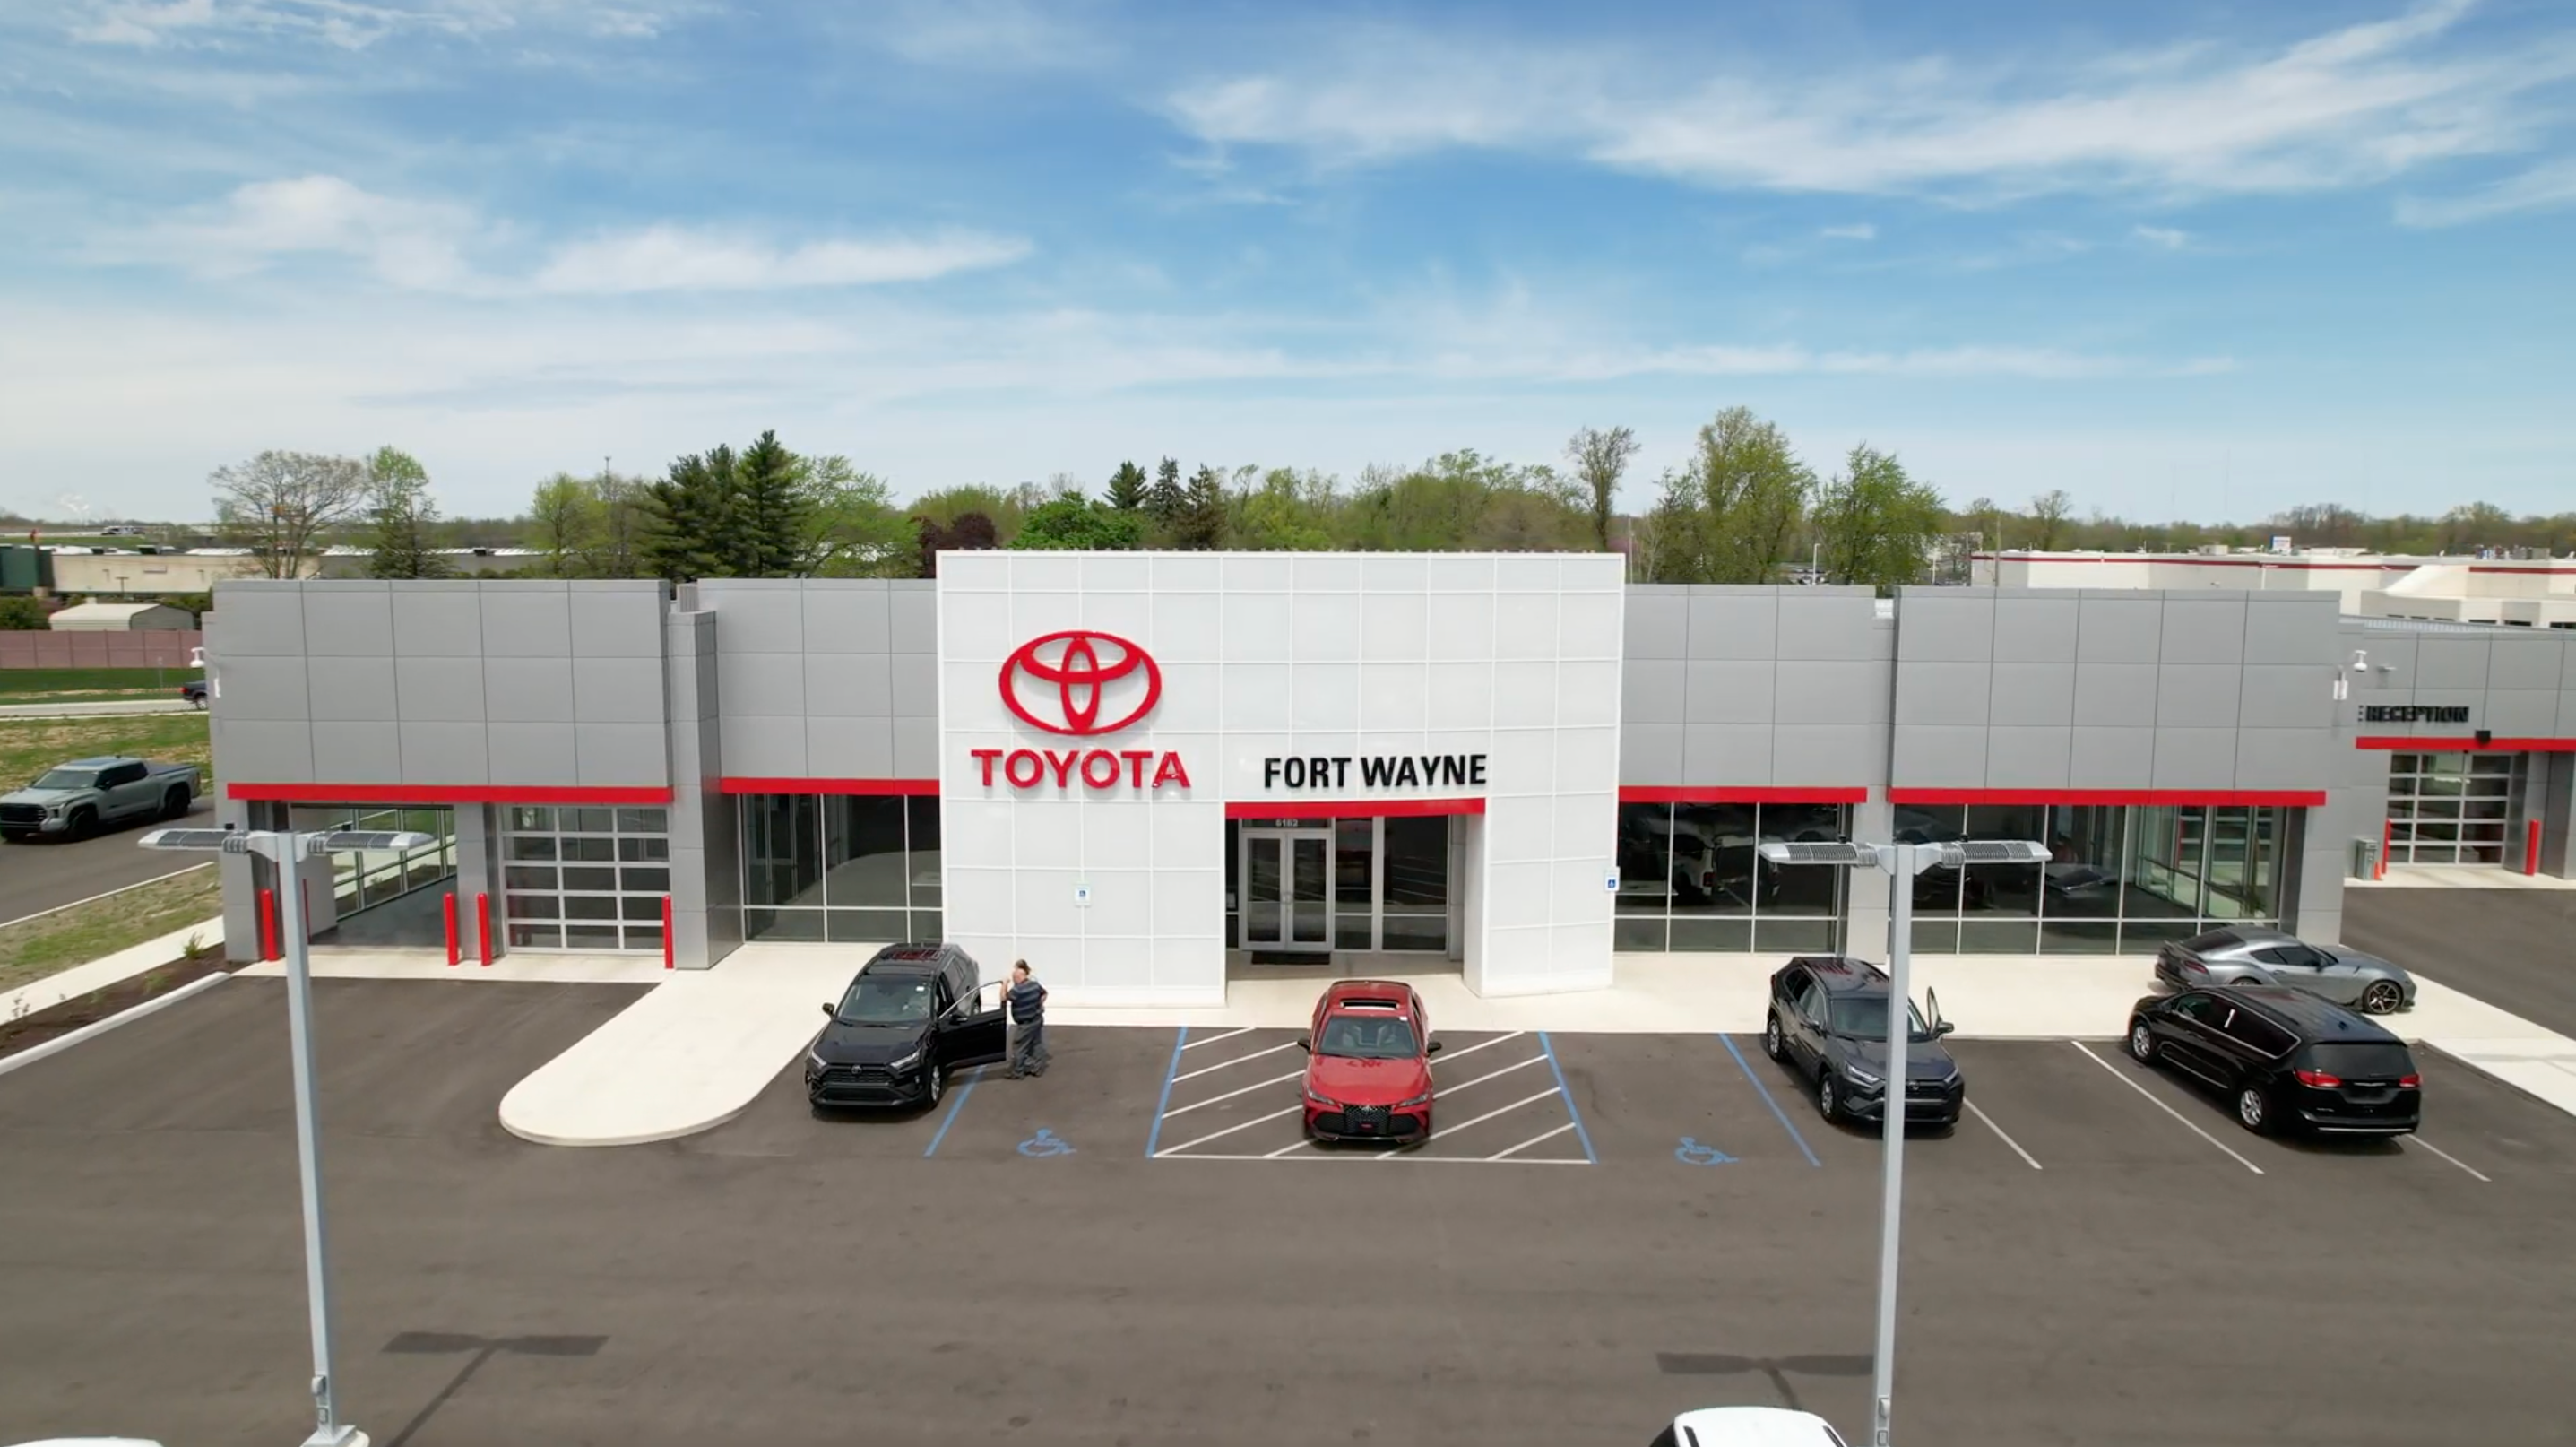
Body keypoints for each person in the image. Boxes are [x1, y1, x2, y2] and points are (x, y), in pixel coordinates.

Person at [1004, 959, 1049, 1079]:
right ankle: (1037, 1069)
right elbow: (1044, 993)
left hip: (1025, 1024)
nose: (1014, 980)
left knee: (1019, 1047)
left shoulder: (1017, 991)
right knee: (1036, 1044)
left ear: (1019, 977)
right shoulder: (1034, 985)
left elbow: (1004, 997)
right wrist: (1039, 1004)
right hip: (1037, 1019)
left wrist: (1004, 984)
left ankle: (1018, 1072)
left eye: (1014, 978)